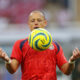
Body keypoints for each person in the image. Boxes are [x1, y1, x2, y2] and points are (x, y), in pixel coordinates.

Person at [0, 10, 80, 80]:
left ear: (45, 23)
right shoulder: (20, 44)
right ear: (28, 24)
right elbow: (12, 69)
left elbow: (66, 71)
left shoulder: (55, 46)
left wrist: (72, 60)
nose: (36, 23)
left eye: (39, 20)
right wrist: (7, 60)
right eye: (32, 21)